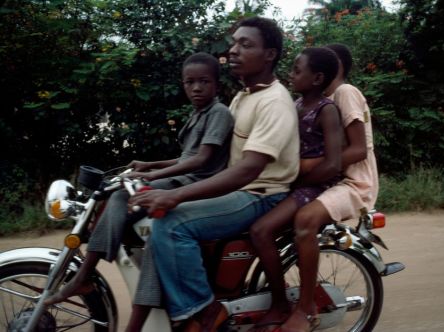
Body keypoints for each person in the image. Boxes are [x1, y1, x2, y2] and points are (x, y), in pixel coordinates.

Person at [128, 16, 300, 331]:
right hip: (240, 191)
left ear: (270, 54)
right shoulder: (244, 96)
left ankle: (203, 312)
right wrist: (156, 172)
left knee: (172, 223)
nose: (233, 50)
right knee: (159, 219)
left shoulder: (274, 102)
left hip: (261, 195)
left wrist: (175, 194)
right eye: (233, 43)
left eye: (245, 44)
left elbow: (249, 169)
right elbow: (206, 157)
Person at [43, 52, 234, 317]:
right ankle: (96, 274)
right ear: (183, 84)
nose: (197, 88)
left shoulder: (219, 113)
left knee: (121, 198)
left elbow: (201, 160)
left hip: (197, 183)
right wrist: (149, 165)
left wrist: (152, 177)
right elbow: (185, 157)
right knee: (119, 199)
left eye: (204, 81)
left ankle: (84, 275)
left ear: (216, 84)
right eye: (190, 82)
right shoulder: (198, 114)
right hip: (186, 176)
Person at [279, 43, 379, 332]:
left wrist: (309, 168)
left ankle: (306, 306)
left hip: (353, 182)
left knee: (305, 220)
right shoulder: (314, 101)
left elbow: (359, 149)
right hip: (330, 178)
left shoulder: (344, 93)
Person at [248, 47, 344, 332]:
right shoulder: (295, 103)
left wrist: (298, 183)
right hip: (291, 182)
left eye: (297, 70)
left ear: (317, 78)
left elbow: (334, 163)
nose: (290, 75)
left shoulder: (327, 110)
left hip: (312, 186)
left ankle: (287, 305)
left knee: (261, 231)